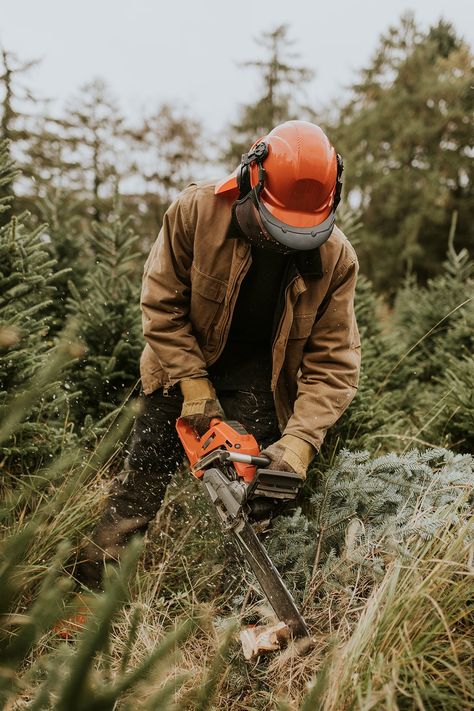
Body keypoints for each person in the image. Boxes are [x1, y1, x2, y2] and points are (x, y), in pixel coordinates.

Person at [76, 120, 361, 590]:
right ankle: (89, 590)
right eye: (276, 228)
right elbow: (160, 303)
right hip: (179, 363)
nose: (283, 241)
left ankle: (239, 604)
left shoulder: (336, 259)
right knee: (138, 489)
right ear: (251, 180)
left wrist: (300, 443)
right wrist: (192, 382)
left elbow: (333, 365)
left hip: (264, 382)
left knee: (257, 504)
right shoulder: (197, 212)